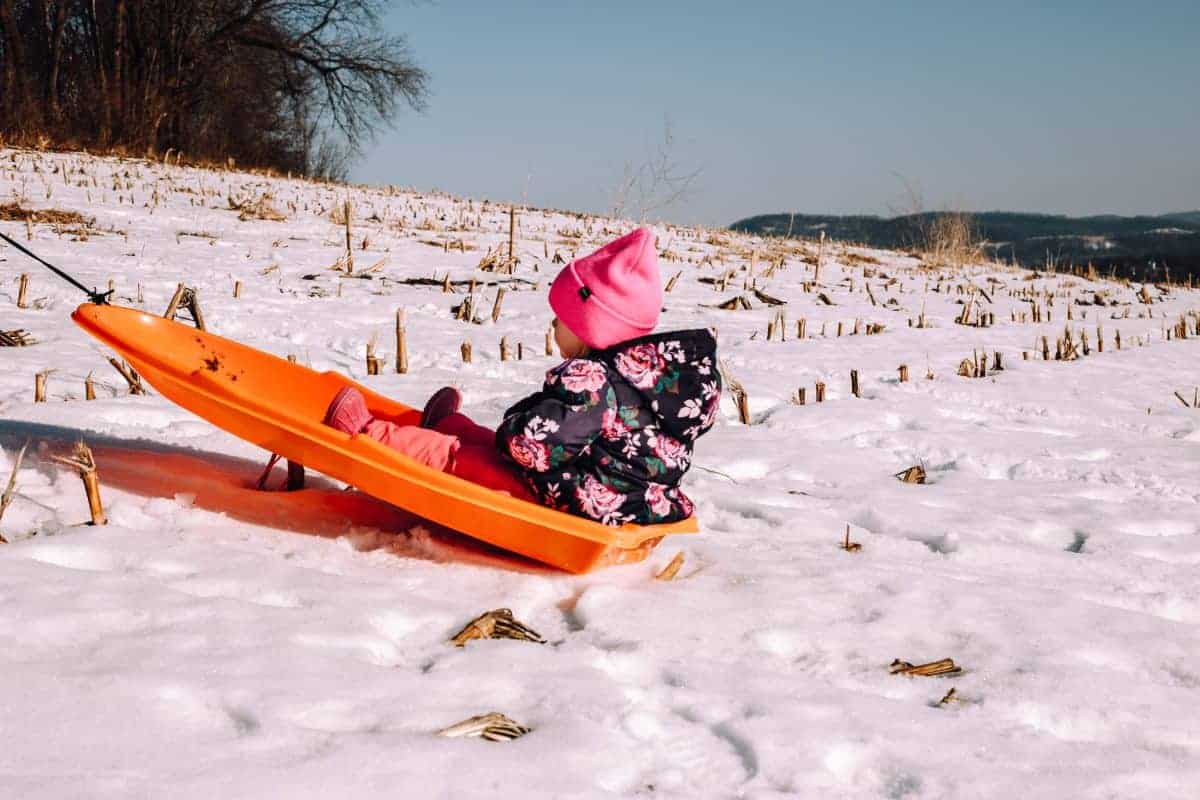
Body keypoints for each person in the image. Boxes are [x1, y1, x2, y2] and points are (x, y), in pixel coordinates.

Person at [323, 227, 720, 525]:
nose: (552, 325)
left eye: (562, 319)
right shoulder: (651, 381)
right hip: (625, 501)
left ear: (590, 329)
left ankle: (368, 434)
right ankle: (446, 424)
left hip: (571, 501)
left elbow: (532, 444)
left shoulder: (596, 383)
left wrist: (517, 424)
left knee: (463, 459)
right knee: (495, 446)